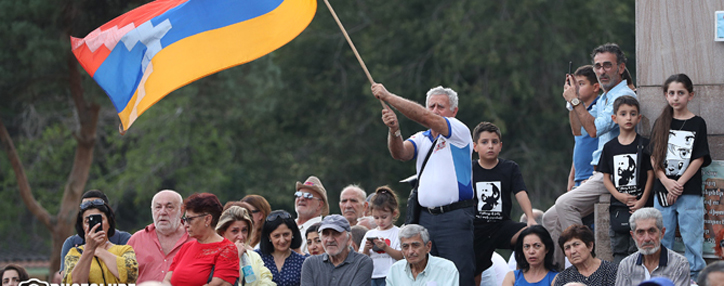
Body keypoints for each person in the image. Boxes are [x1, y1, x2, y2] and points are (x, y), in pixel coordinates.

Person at [371, 84, 476, 286]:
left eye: (440, 107)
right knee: (425, 273)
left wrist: (389, 96)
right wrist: (394, 131)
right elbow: (400, 153)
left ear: (453, 111)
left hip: (454, 217)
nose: (434, 111)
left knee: (458, 272)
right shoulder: (422, 138)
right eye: (431, 106)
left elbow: (425, 118)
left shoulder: (459, 131)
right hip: (425, 217)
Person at [544, 43, 637, 267]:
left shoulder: (621, 96)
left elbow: (594, 129)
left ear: (621, 67)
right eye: (598, 66)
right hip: (597, 174)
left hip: (613, 174)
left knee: (564, 204)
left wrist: (576, 101)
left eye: (607, 65)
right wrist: (572, 101)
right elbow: (579, 129)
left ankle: (587, 268)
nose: (602, 71)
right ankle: (555, 273)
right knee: (548, 218)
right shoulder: (606, 96)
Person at [648, 73, 711, 280]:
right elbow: (654, 158)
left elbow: (699, 157)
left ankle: (694, 277)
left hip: (689, 190)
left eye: (680, 93)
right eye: (671, 93)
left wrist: (679, 184)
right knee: (662, 236)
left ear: (690, 95)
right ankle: (663, 277)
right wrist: (666, 182)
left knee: (692, 237)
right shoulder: (661, 122)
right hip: (663, 190)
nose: (676, 98)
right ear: (666, 95)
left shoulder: (697, 123)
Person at [471, 121, 537, 285]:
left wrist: (530, 218)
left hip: (502, 226)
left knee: (532, 236)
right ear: (475, 146)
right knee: (474, 272)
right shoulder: (469, 169)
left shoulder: (510, 168)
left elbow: (520, 193)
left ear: (500, 146)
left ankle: (527, 279)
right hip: (476, 228)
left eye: (494, 142)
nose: (490, 146)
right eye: (484, 142)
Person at [597, 96, 654, 264]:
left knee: (641, 254)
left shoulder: (645, 144)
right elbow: (606, 177)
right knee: (619, 253)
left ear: (639, 118)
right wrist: (618, 195)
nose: (628, 118)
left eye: (632, 113)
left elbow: (651, 173)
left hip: (642, 209)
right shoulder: (609, 147)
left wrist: (643, 200)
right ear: (614, 118)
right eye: (623, 114)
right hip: (618, 208)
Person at [164, 193, 239, 286]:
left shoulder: (227, 249)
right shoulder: (186, 247)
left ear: (207, 219)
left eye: (190, 219)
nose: (185, 225)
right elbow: (166, 281)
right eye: (185, 219)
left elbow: (219, 284)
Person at [63, 198, 138, 284]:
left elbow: (131, 276)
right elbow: (74, 283)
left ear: (109, 223)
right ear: (82, 226)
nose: (96, 225)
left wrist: (98, 250)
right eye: (88, 222)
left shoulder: (124, 250)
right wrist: (89, 249)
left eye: (100, 220)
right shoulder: (74, 253)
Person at [128, 190, 194, 283]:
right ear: (152, 210)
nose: (163, 212)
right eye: (158, 207)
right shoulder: (136, 240)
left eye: (169, 207)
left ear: (181, 210)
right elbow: (122, 277)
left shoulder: (195, 240)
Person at [614, 208, 689, 286]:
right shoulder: (626, 265)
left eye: (652, 231)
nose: (647, 239)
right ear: (633, 236)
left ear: (662, 233)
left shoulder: (679, 264)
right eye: (640, 232)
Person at [300, 215, 373, 286]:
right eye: (326, 234)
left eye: (336, 233)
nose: (330, 239)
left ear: (349, 239)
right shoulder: (310, 263)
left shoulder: (362, 262)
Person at [216, 206, 275, 286]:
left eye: (244, 230)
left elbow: (267, 281)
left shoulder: (254, 256)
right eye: (234, 231)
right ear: (223, 233)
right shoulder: (213, 257)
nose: (241, 236)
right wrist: (234, 257)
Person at [385, 224, 459, 286]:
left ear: (428, 247)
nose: (410, 251)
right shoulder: (395, 270)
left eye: (416, 245)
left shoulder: (446, 269)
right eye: (405, 247)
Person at [566, 65, 601, 193]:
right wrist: (572, 176)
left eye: (581, 84)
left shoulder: (599, 107)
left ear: (596, 87)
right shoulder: (580, 111)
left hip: (592, 175)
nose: (576, 89)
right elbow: (578, 135)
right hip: (580, 177)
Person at [360, 186, 403, 286]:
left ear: (394, 213)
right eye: (376, 217)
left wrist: (385, 247)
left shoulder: (398, 232)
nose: (380, 221)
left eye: (384, 217)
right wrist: (366, 249)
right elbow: (362, 258)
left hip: (391, 276)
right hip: (372, 275)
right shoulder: (370, 233)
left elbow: (401, 256)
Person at [256, 210, 306, 286]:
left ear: (293, 233)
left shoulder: (303, 262)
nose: (282, 240)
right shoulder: (256, 257)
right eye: (276, 236)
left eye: (286, 234)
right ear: (269, 237)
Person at [293, 176, 329, 254]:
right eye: (299, 194)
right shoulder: (286, 225)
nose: (301, 198)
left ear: (320, 205)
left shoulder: (323, 231)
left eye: (308, 196)